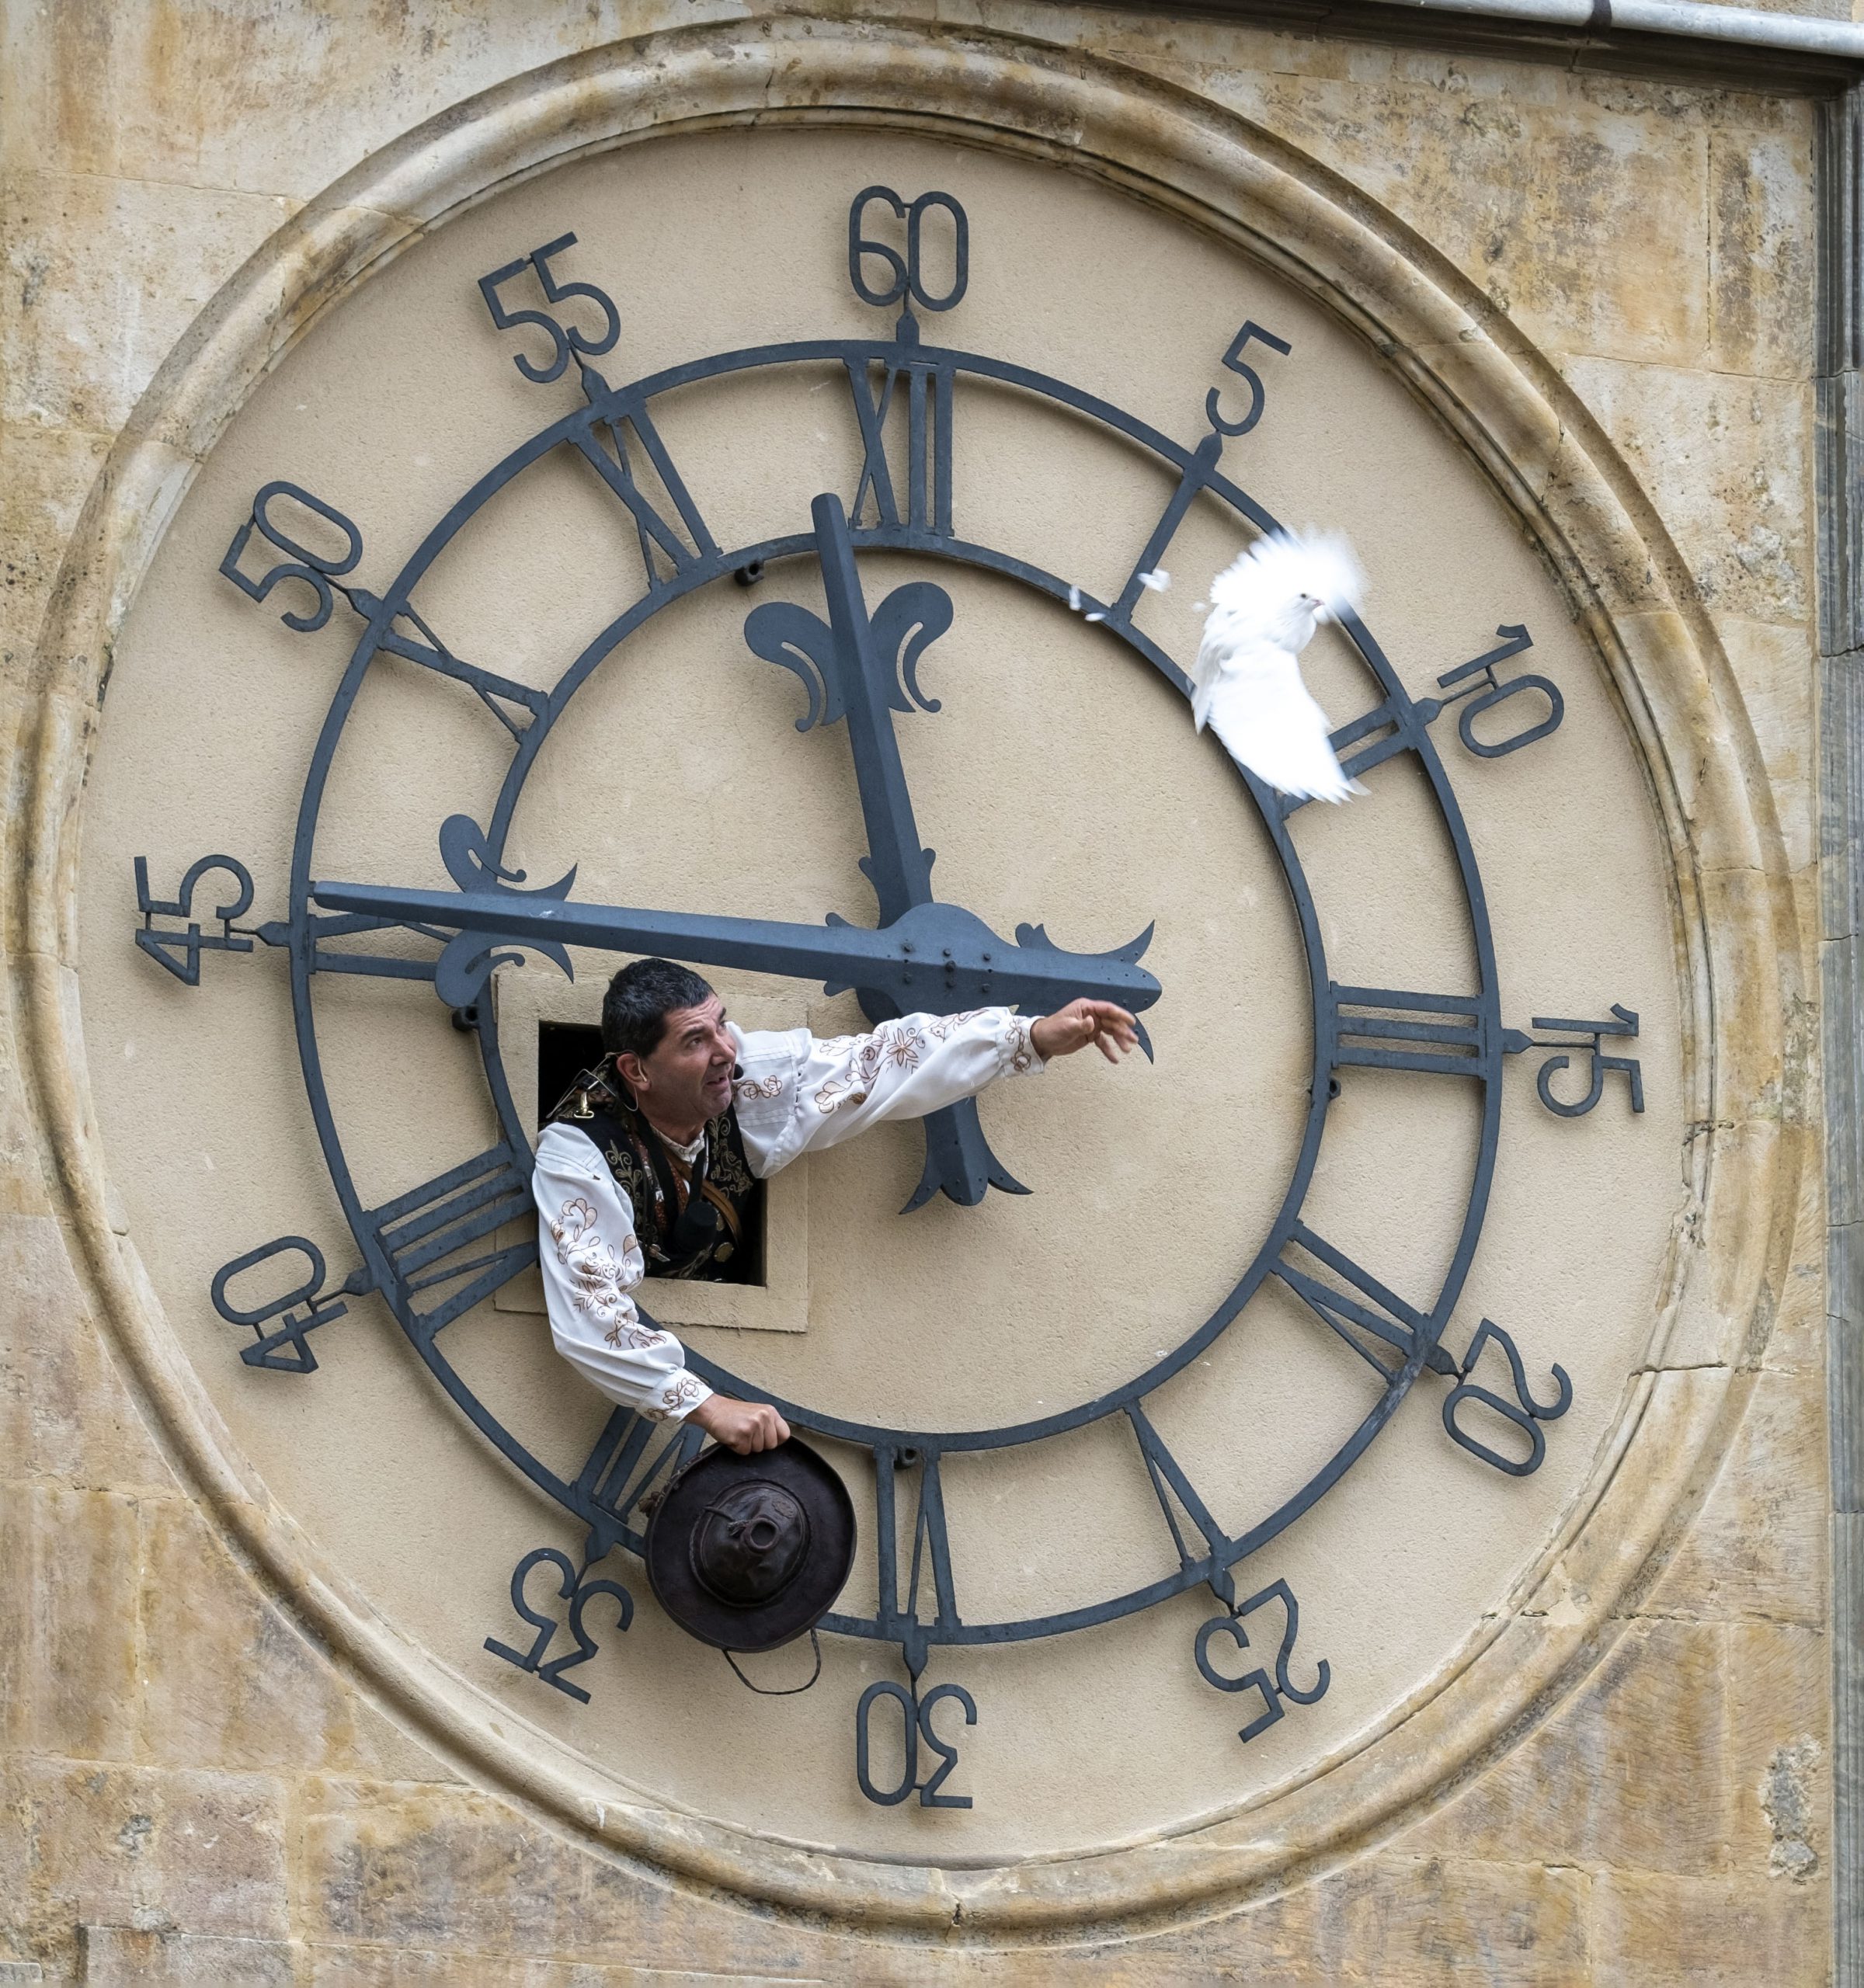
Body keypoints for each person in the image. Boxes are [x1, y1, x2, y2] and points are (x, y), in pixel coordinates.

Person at [531, 958, 1139, 1454]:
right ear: (636, 1070)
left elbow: (884, 1060)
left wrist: (1028, 1036)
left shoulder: (750, 1080)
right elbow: (589, 1306)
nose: (726, 1051)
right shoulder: (576, 1152)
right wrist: (706, 1406)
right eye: (696, 1040)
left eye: (723, 1024)